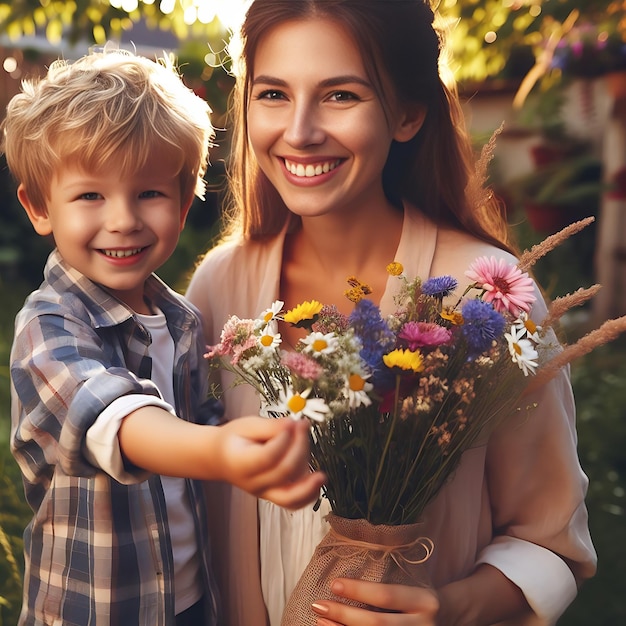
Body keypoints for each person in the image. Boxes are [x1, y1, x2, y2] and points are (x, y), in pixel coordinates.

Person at [186, 0, 597, 624]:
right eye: (272, 93)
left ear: (406, 114)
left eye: (340, 96)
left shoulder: (486, 295)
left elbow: (550, 545)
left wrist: (449, 608)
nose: (299, 131)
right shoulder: (221, 286)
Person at [3, 47, 324, 626]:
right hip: (94, 607)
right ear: (39, 206)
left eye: (149, 192)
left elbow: (200, 420)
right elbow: (115, 419)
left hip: (188, 596)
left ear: (183, 203)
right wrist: (219, 452)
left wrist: (257, 456)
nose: (123, 218)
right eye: (90, 196)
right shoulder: (48, 326)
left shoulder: (181, 319)